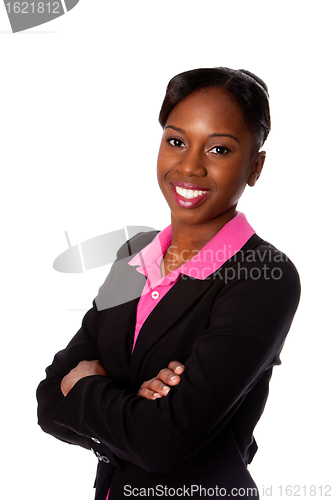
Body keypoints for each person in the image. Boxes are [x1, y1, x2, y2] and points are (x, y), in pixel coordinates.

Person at [37, 67, 301, 500]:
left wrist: (86, 387)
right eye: (176, 141)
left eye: (218, 149)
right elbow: (49, 401)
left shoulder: (265, 276)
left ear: (255, 167)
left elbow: (163, 442)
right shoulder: (134, 254)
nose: (190, 166)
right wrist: (132, 412)